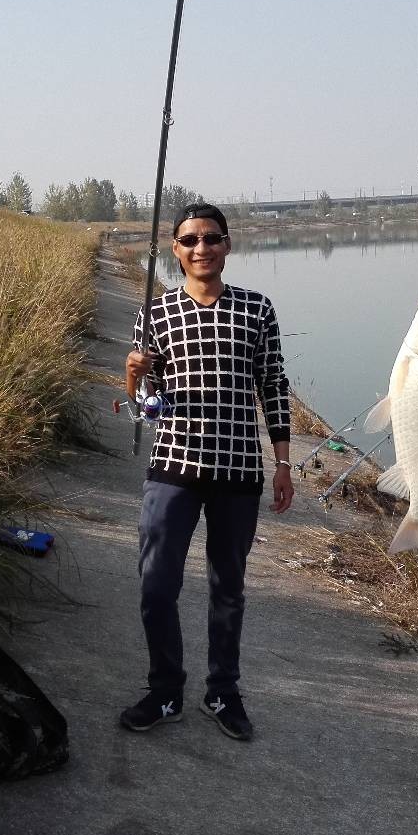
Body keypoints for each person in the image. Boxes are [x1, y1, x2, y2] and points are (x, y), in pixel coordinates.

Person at [119, 202, 293, 741]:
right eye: (190, 240)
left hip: (238, 471)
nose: (201, 248)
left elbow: (274, 390)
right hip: (173, 466)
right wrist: (132, 378)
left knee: (229, 588)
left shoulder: (257, 309)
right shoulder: (154, 313)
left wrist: (282, 463)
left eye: (211, 238)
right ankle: (165, 689)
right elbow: (147, 407)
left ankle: (223, 692)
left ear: (227, 245)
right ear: (175, 249)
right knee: (156, 586)